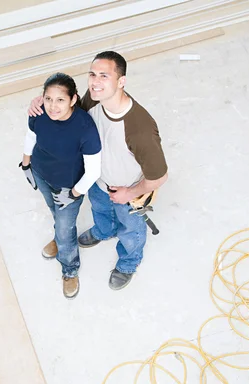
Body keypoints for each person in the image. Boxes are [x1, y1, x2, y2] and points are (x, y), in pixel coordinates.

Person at [28, 51, 168, 291]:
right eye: (92, 74)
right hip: (97, 181)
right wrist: (42, 102)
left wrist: (129, 192)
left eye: (104, 76)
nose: (95, 81)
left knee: (131, 231)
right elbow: (69, 110)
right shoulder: (93, 99)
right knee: (100, 211)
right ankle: (104, 231)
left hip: (127, 191)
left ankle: (128, 263)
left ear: (121, 81)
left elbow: (159, 176)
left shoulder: (140, 128)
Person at [20, 72, 102, 299]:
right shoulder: (39, 113)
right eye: (48, 99)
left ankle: (70, 268)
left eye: (60, 100)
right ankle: (59, 239)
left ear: (73, 100)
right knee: (54, 213)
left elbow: (94, 170)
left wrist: (74, 194)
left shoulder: (85, 128)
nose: (53, 106)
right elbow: (31, 136)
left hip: (68, 187)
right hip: (41, 173)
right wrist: (26, 164)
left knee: (66, 229)